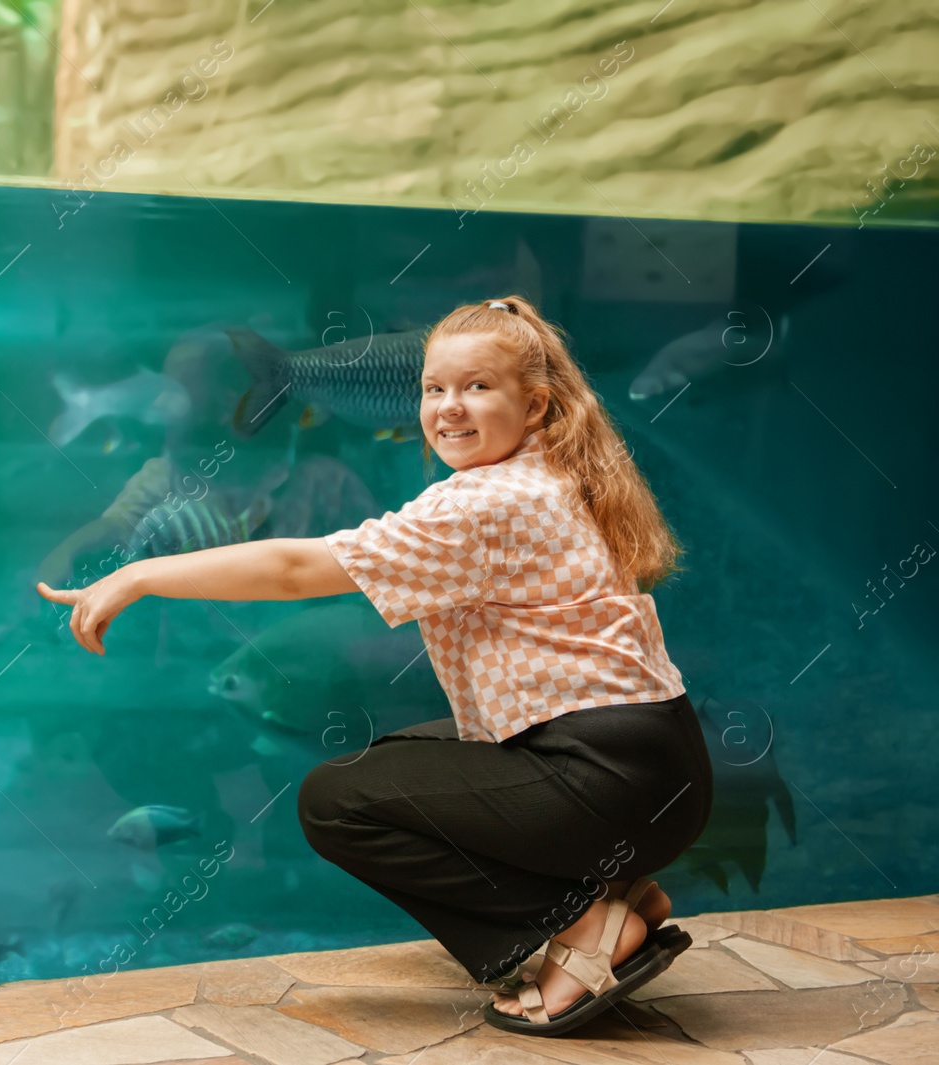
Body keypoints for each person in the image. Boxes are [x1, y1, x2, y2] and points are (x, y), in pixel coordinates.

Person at [37, 295, 713, 1036]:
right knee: (402, 759)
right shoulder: (553, 468)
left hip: (607, 777)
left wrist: (140, 575)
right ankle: (622, 890)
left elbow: (298, 569)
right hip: (653, 769)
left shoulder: (490, 502)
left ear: (536, 402)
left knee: (338, 801)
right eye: (433, 388)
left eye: (478, 386)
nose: (448, 407)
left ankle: (583, 924)